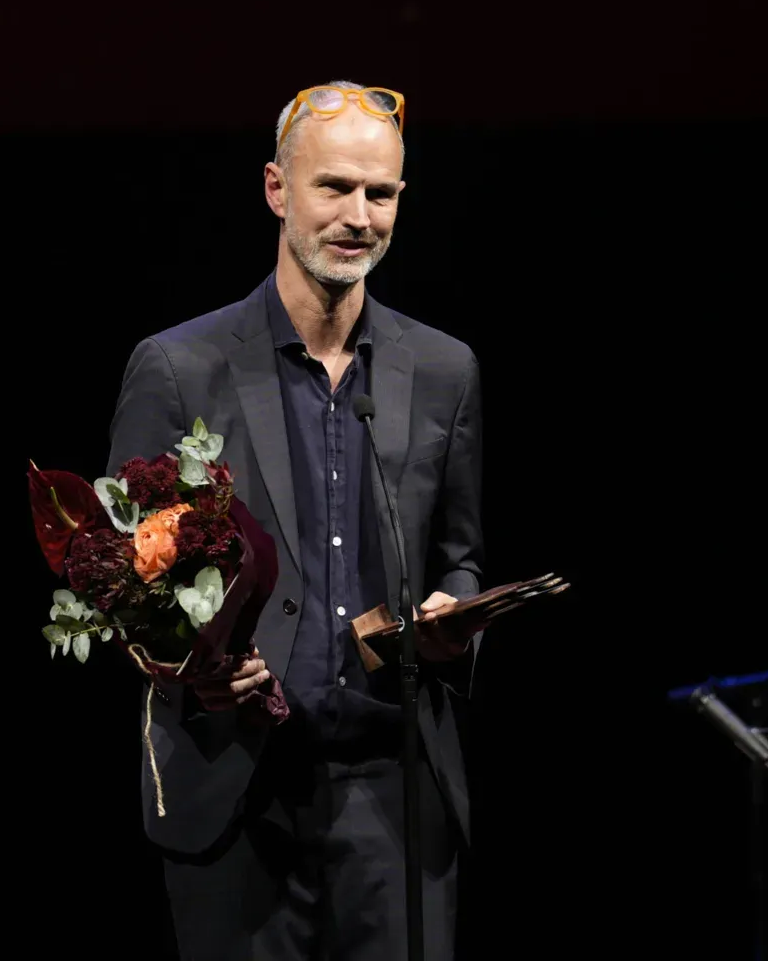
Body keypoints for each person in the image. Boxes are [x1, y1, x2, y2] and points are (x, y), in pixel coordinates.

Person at [104, 81, 486, 961]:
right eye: (335, 188)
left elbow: (461, 558)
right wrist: (186, 666)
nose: (359, 216)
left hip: (396, 802)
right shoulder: (177, 367)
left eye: (380, 194)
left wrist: (451, 622)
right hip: (237, 794)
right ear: (278, 189)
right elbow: (120, 575)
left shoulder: (443, 370)